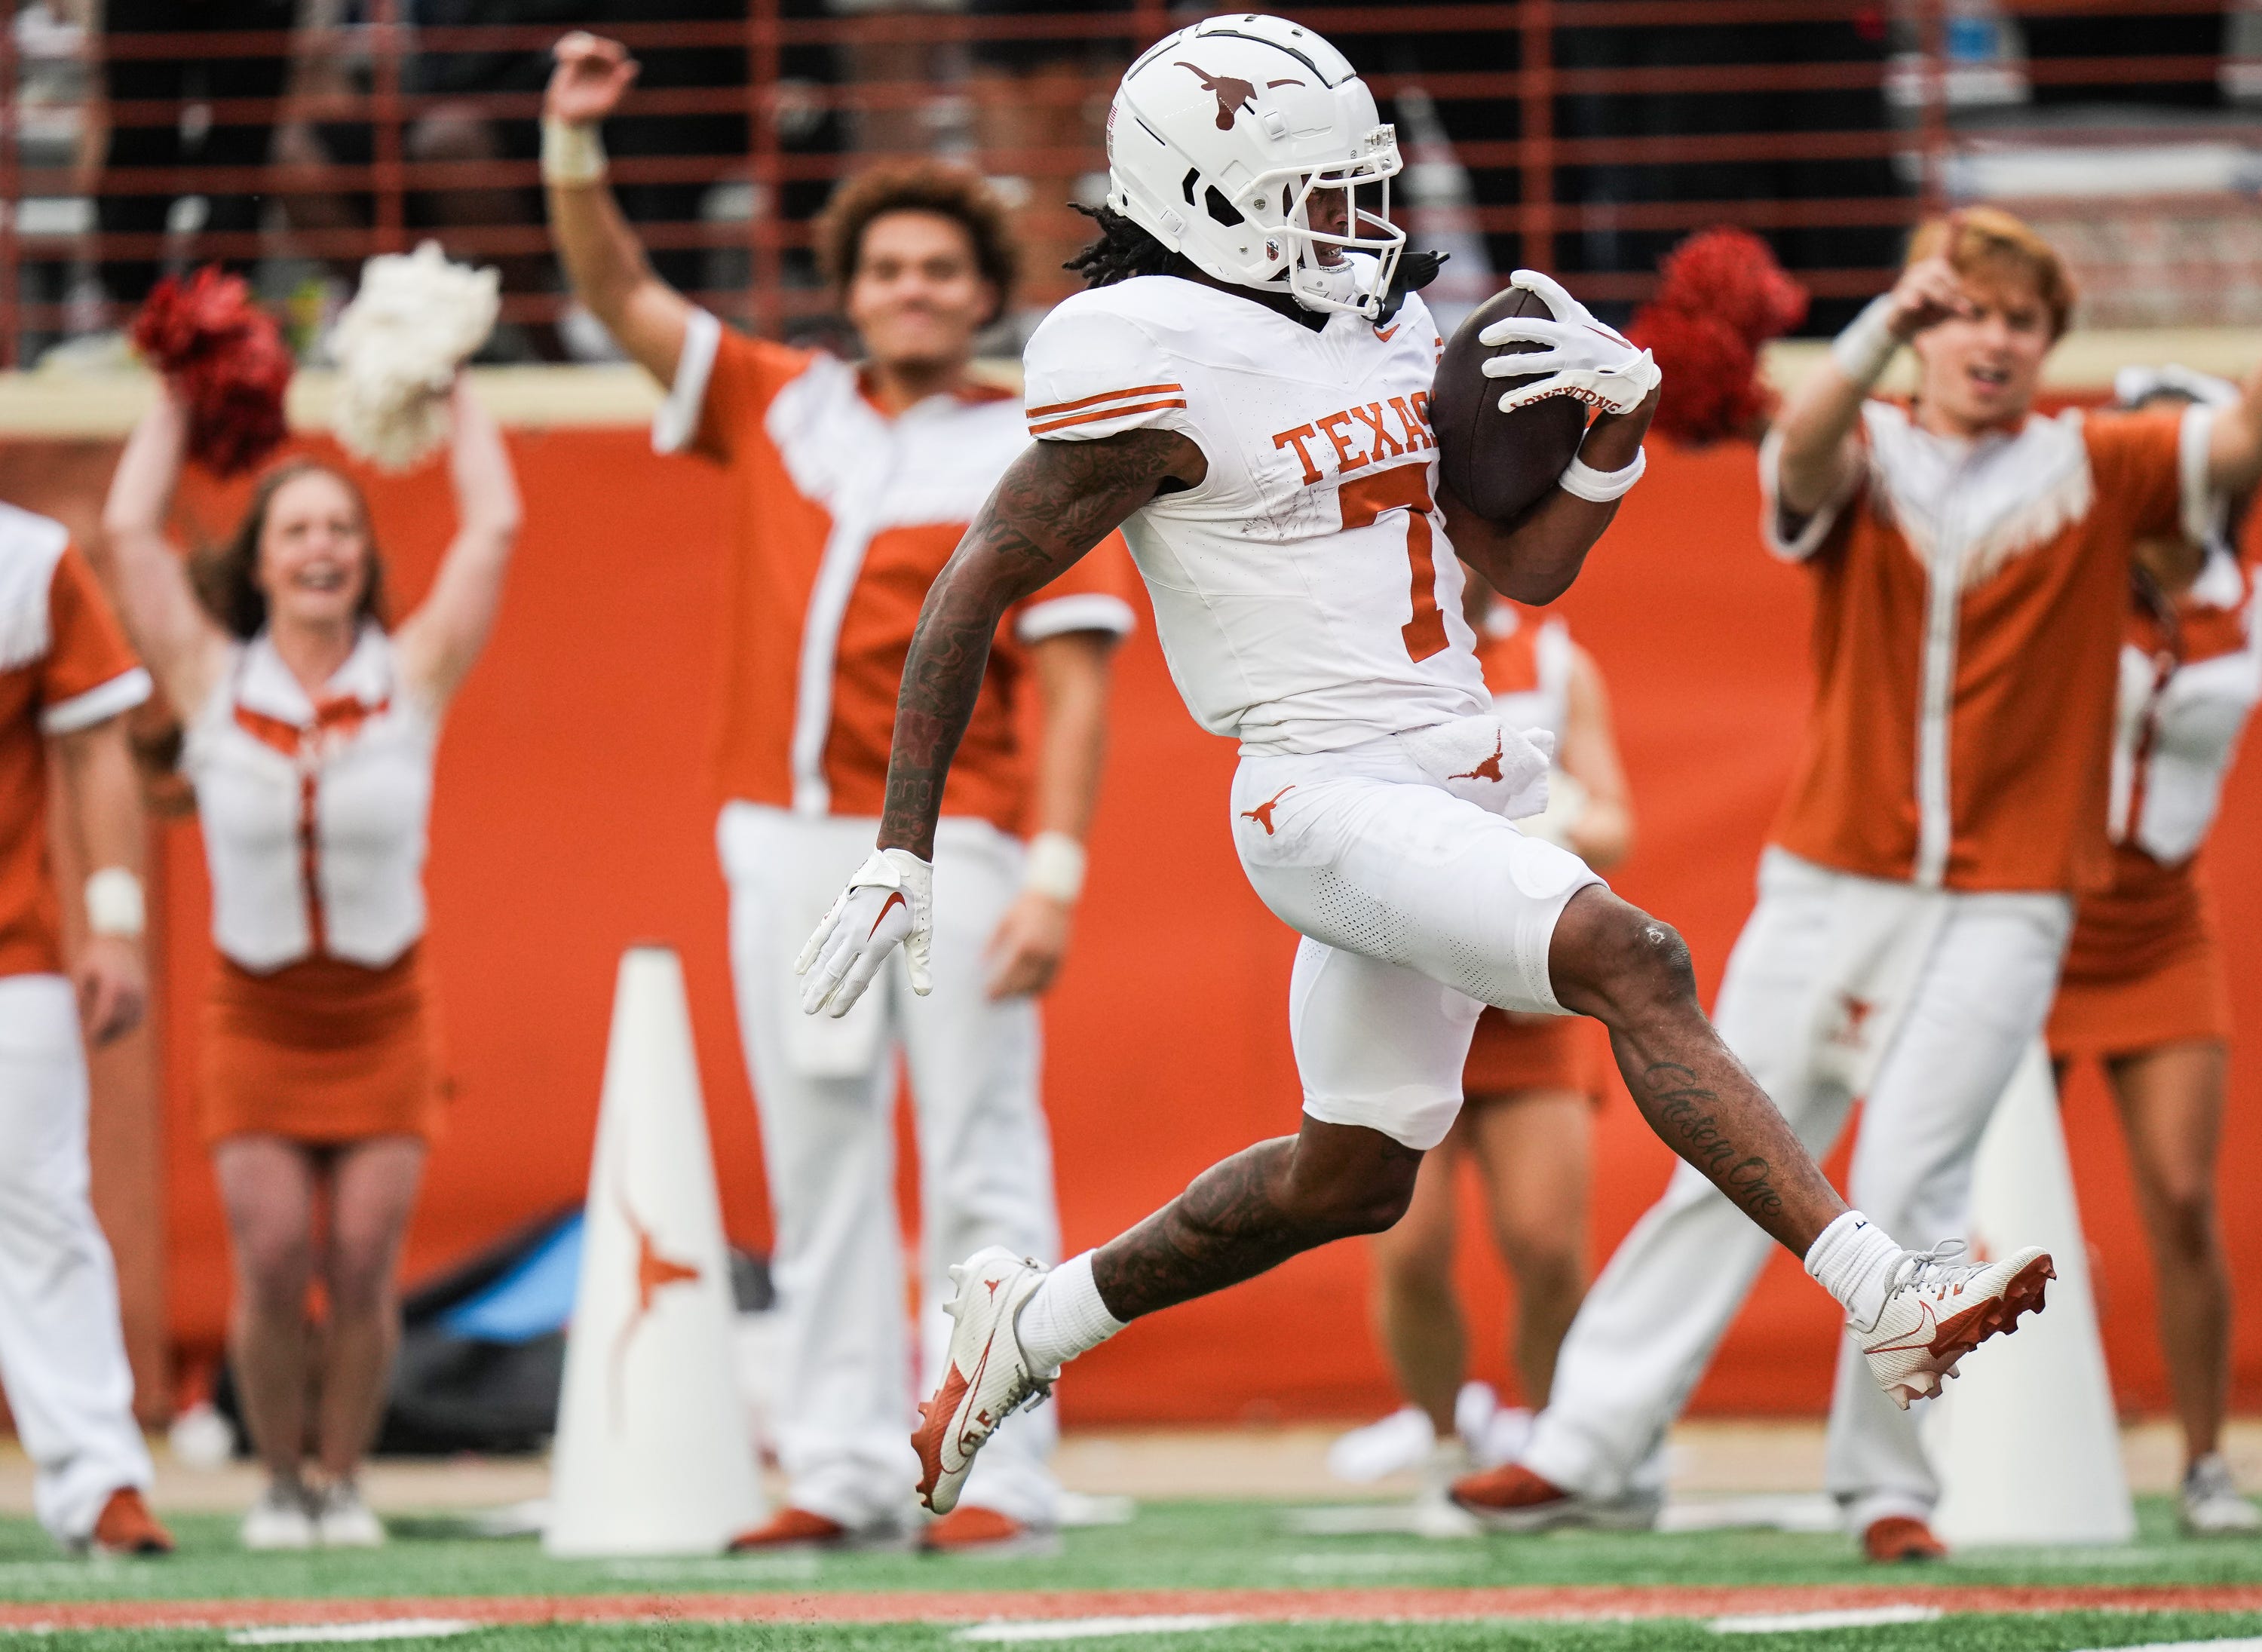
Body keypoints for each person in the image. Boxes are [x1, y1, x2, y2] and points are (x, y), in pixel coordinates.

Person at [792, 12, 2055, 1525]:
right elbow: (975, 583)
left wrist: (1616, 436)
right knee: (1631, 955)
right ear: (1202, 195)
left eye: (1357, 184)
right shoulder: (1143, 358)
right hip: (1319, 792)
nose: (1356, 220)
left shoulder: (1379, 324)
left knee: (1352, 1179)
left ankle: (1032, 1324)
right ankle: (1885, 1291)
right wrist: (901, 844)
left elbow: (1512, 570)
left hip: (1454, 777)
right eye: (1313, 191)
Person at [1455, 209, 2262, 1561]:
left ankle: (1888, 1484)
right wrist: (1886, 317)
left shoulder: (2099, 461)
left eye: (2020, 319)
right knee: (1726, 1152)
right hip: (1836, 871)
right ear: (1918, 332)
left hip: (2013, 893)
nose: (1992, 341)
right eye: (1966, 313)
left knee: (1914, 1178)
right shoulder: (1868, 448)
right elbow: (1808, 445)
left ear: (2050, 344)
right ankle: (1588, 1443)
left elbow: (2235, 441)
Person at [543, 35, 1136, 1553]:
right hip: (789, 838)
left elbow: (1074, 675)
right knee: (817, 1157)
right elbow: (618, 295)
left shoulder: (1033, 442)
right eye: (889, 267)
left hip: (970, 842)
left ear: (983, 287)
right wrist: (571, 145)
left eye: (943, 267)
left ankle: (999, 1470)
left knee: (984, 1149)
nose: (916, 289)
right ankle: (844, 1465)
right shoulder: (781, 403)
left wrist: (1062, 866)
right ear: (851, 283)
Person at [96, 379, 523, 1549]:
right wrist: (185, 391)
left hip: (385, 1004)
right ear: (262, 558)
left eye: (341, 527)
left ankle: (344, 1479)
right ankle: (278, 1480)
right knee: (277, 1253)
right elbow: (131, 533)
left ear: (364, 556)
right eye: (297, 529)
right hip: (256, 1006)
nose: (322, 546)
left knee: (366, 1252)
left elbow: (491, 526)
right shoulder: (208, 675)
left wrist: (453, 383)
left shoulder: (413, 668)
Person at [1356, 588, 1634, 1522]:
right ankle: (1442, 1442)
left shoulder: (1555, 662)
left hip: (1524, 995)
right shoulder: (1364, 649)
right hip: (1402, 990)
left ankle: (1555, 1449)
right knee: (1409, 1247)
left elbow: (1616, 823)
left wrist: (1548, 827)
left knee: (1548, 1244)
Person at [2045, 366, 2262, 1537]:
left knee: (2182, 1194)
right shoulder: (2070, 572)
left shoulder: (2246, 586)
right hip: (2037, 914)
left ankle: (2204, 1461)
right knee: (1988, 1201)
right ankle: (1950, 1443)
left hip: (2164, 924)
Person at [0, 502, 171, 1556]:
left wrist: (114, 920)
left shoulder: (28, 560)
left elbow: (98, 739)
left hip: (10, 945)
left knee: (45, 1211)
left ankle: (98, 1478)